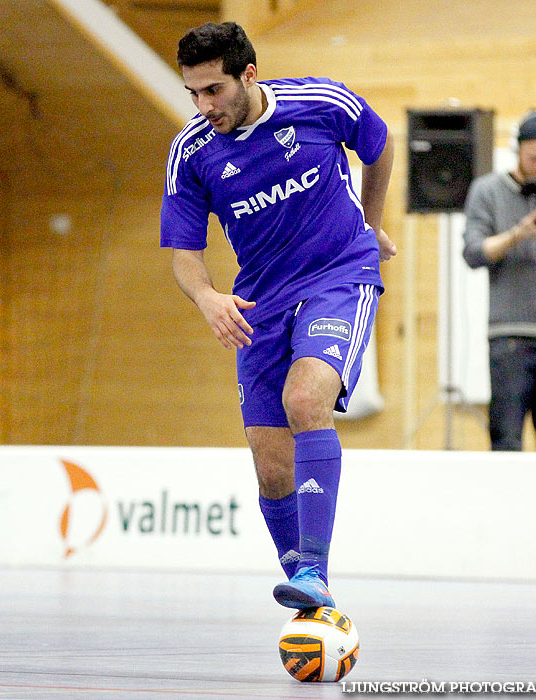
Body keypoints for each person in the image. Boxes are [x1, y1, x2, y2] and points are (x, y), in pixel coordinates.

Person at [160, 21, 395, 608]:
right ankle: (313, 597)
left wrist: (370, 220)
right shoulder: (192, 152)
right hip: (261, 301)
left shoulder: (320, 104)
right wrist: (209, 297)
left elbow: (380, 142)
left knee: (305, 399)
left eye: (213, 90)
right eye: (192, 91)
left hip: (339, 275)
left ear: (249, 74)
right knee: (271, 465)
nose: (202, 104)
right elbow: (184, 255)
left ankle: (313, 570)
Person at [463, 109, 536, 452]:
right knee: (506, 438)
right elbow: (474, 252)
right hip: (508, 336)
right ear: (517, 150)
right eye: (533, 157)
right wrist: (519, 232)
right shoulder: (488, 190)